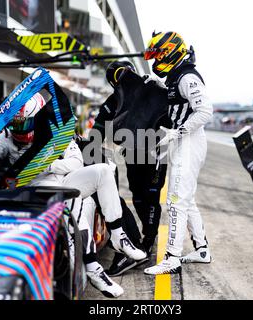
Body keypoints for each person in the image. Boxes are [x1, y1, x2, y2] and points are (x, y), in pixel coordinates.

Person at [0, 95, 146, 297]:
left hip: (63, 180)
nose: (20, 130)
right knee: (80, 200)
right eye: (16, 124)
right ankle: (93, 268)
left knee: (104, 171)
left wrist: (44, 165)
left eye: (25, 123)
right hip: (35, 191)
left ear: (36, 118)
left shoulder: (56, 133)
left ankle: (118, 236)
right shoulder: (5, 138)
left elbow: (76, 162)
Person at [143, 32, 214, 275]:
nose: (157, 60)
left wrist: (179, 131)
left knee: (175, 200)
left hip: (189, 141)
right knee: (187, 199)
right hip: (184, 141)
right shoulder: (177, 76)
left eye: (159, 54)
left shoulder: (187, 76)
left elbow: (205, 112)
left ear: (171, 51)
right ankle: (202, 249)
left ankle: (172, 257)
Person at [90, 60, 168, 277]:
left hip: (156, 153)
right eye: (117, 78)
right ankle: (143, 239)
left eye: (124, 74)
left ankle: (148, 242)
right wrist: (89, 146)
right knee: (138, 197)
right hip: (132, 154)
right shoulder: (113, 100)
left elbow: (172, 112)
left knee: (150, 197)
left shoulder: (152, 89)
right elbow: (99, 126)